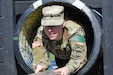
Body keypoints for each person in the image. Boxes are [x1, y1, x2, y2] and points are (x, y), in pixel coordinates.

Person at [31, 5, 87, 75]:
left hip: (83, 55)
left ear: (63, 24)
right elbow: (39, 53)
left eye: (54, 26)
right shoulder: (42, 33)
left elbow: (79, 58)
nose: (50, 30)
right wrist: (40, 65)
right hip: (60, 56)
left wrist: (68, 68)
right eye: (47, 26)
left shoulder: (74, 32)